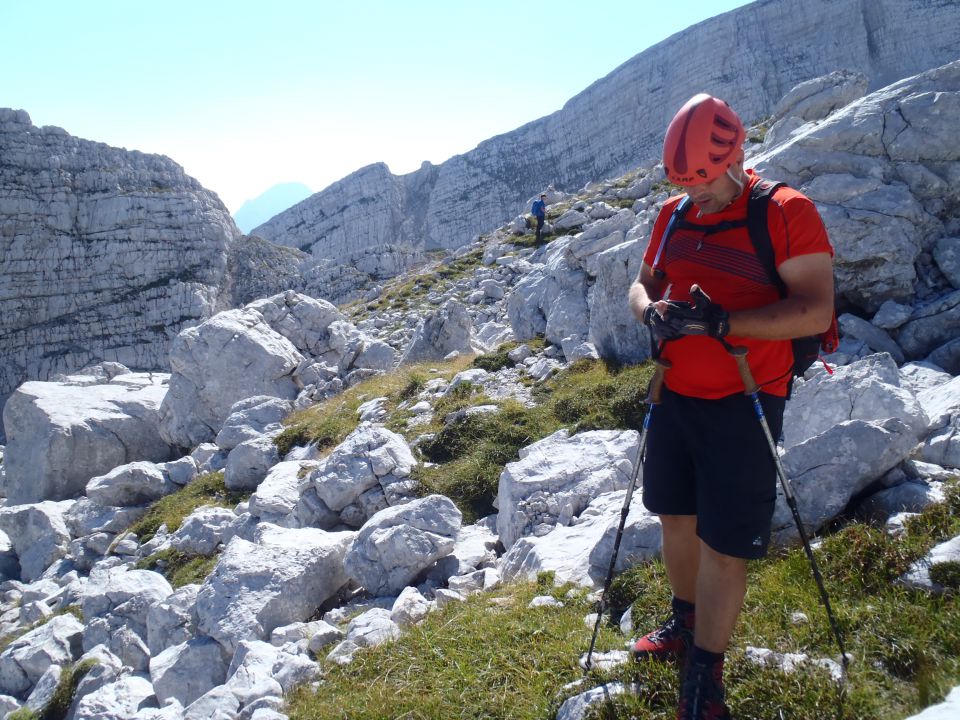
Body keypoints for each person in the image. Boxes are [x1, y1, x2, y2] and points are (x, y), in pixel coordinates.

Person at [627, 93, 835, 720]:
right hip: (674, 393)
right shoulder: (673, 215)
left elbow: (815, 309)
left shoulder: (787, 212)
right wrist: (652, 314)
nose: (700, 197)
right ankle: (685, 626)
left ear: (737, 154)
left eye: (708, 183)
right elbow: (642, 285)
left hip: (746, 399)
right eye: (687, 186)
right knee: (675, 518)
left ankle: (705, 678)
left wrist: (725, 323)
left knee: (725, 542)